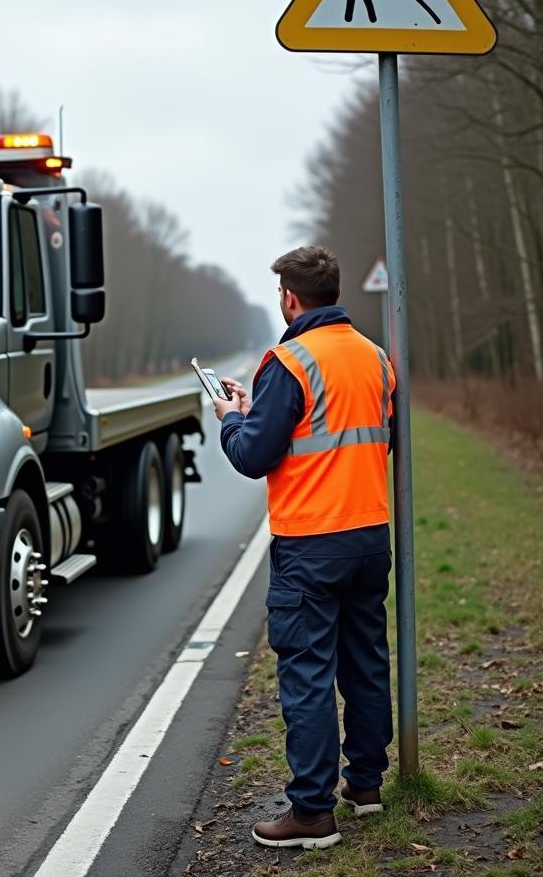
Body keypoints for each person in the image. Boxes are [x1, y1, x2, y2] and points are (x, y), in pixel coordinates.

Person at [210, 246, 395, 850]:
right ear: (334, 292)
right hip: (369, 536)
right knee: (365, 660)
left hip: (311, 542)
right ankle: (364, 786)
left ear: (290, 298)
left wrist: (230, 418)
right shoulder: (375, 358)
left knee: (308, 674)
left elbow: (251, 456)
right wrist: (255, 410)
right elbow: (374, 442)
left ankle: (311, 814)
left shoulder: (287, 362)